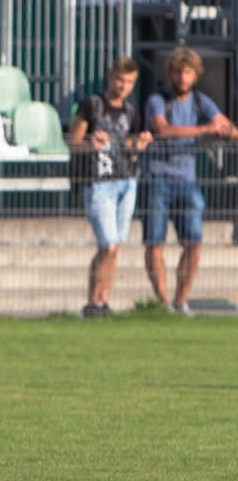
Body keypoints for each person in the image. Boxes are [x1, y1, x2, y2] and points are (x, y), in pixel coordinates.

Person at [142, 48, 237, 314]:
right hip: (158, 178)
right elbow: (163, 129)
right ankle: (161, 302)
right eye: (177, 72)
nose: (182, 78)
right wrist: (205, 129)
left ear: (195, 75)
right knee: (154, 242)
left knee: (194, 242)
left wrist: (225, 130)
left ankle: (180, 300)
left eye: (187, 72)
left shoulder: (200, 101)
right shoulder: (158, 100)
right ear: (169, 73)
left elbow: (222, 124)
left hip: (187, 179)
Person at [67, 57, 152, 317]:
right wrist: (89, 142)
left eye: (128, 82)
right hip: (99, 182)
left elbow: (128, 144)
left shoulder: (130, 110)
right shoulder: (92, 105)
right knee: (108, 245)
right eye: (119, 80)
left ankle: (102, 301)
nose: (123, 86)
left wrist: (139, 145)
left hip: (126, 180)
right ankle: (93, 301)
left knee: (114, 245)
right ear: (109, 76)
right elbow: (72, 141)